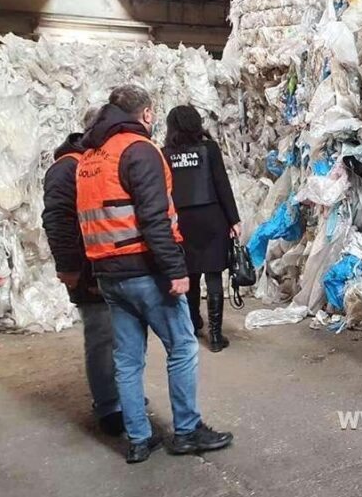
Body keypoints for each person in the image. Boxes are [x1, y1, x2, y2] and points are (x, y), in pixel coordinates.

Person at [77, 85, 233, 464]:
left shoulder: (90, 157)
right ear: (146, 114)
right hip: (144, 269)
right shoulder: (139, 150)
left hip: (108, 273)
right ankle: (186, 430)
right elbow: (154, 218)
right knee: (181, 345)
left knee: (128, 359)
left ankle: (138, 439)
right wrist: (175, 270)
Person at [42, 107, 124, 436]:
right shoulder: (67, 168)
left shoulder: (95, 163)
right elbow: (57, 219)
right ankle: (108, 406)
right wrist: (69, 267)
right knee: (102, 337)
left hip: (110, 266)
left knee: (120, 337)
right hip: (88, 271)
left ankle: (121, 394)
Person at [163, 105, 241, 352]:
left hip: (182, 218)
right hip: (212, 215)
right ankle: (216, 336)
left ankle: (193, 323)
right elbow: (221, 184)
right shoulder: (209, 149)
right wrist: (234, 219)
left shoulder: (166, 153)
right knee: (214, 272)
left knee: (191, 272)